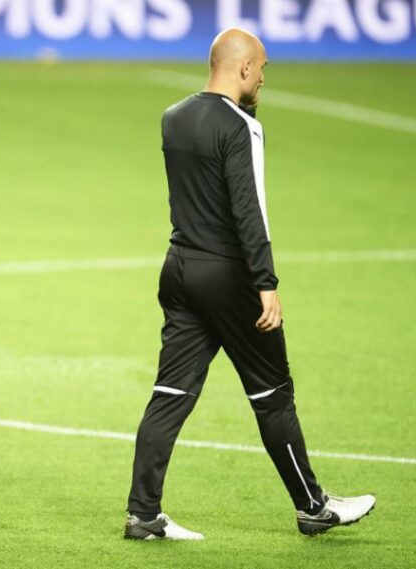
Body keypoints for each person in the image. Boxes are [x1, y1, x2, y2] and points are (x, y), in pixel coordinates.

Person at [124, 29, 375, 540]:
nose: (263, 77)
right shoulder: (242, 127)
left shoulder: (173, 117)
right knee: (273, 394)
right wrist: (266, 282)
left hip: (179, 269)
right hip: (229, 277)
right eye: (261, 67)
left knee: (170, 393)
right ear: (243, 68)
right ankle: (312, 507)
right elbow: (248, 209)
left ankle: (142, 513)